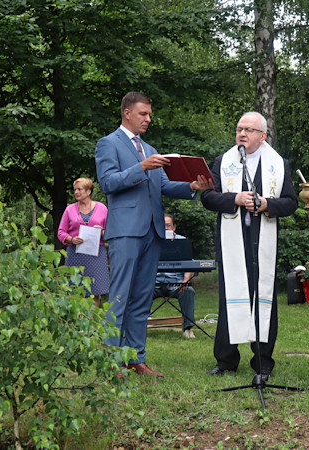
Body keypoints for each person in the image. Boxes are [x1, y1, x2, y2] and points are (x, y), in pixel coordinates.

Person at [95, 91, 211, 377]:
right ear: (127, 113)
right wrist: (141, 167)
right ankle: (112, 362)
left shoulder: (149, 147)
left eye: (149, 114)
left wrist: (192, 188)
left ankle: (136, 359)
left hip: (153, 232)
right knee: (120, 296)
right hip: (125, 231)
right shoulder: (108, 143)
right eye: (143, 114)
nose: (148, 119)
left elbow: (164, 186)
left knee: (142, 298)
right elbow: (108, 182)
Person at [201, 111, 297, 380]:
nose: (242, 134)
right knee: (228, 297)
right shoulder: (223, 162)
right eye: (239, 128)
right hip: (232, 239)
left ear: (263, 136)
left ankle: (263, 361)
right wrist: (234, 198)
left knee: (263, 297)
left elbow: (290, 202)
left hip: (262, 239)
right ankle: (226, 359)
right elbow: (207, 198)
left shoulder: (278, 164)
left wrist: (267, 204)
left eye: (249, 130)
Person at [57, 177, 109, 308]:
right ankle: (79, 324)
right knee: (76, 290)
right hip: (75, 254)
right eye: (75, 190)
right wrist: (72, 239)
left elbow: (111, 231)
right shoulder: (69, 209)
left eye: (79, 189)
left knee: (95, 291)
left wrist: (102, 232)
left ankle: (92, 325)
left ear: (89, 191)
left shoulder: (102, 208)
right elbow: (61, 232)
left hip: (96, 254)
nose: (76, 192)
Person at [153, 214, 197, 339]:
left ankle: (188, 328)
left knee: (188, 290)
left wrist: (185, 280)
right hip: (155, 283)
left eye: (168, 226)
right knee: (139, 291)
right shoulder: (152, 241)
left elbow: (189, 265)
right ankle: (138, 326)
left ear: (174, 227)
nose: (166, 228)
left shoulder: (182, 241)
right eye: (163, 226)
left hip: (176, 283)